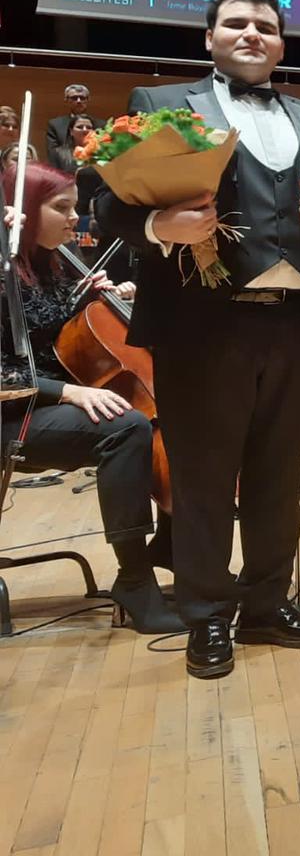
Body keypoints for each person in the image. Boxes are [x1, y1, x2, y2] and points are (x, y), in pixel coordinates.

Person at [94, 0, 300, 677]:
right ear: (209, 37)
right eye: (238, 23)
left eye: (266, 27)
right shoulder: (160, 105)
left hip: (298, 323)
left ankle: (267, 606)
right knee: (204, 479)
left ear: (281, 44)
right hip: (201, 328)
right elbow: (108, 207)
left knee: (279, 474)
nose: (253, 34)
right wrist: (161, 225)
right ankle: (207, 616)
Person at [0, 165, 181, 634]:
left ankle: (172, 547)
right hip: (13, 413)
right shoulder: (4, 271)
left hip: (56, 405)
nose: (74, 218)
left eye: (75, 207)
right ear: (23, 209)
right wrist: (69, 391)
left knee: (175, 417)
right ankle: (135, 580)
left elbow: (70, 337)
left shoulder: (53, 266)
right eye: (61, 207)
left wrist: (106, 300)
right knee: (127, 428)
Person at [45, 84, 100, 154]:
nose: (79, 101)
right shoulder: (55, 125)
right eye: (74, 98)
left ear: (87, 100)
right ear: (66, 100)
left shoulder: (101, 125)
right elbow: (52, 152)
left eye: (82, 98)